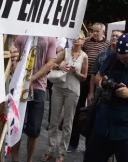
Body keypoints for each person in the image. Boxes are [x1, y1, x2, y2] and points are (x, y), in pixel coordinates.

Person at [84, 33, 128, 162]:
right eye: (119, 57)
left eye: (125, 58)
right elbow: (98, 76)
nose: (121, 60)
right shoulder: (112, 57)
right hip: (104, 122)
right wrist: (102, 82)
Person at [10, 35, 66, 162]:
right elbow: (15, 61)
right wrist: (22, 80)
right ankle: (15, 159)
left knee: (34, 129)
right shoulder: (21, 37)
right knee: (16, 126)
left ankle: (29, 159)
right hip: (19, 87)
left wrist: (32, 79)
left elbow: (50, 62)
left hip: (39, 87)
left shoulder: (50, 38)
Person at [43, 31, 88, 162]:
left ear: (83, 41)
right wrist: (60, 65)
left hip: (73, 90)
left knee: (68, 123)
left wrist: (76, 72)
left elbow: (84, 77)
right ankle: (49, 150)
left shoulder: (84, 56)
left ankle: (62, 152)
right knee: (53, 121)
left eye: (79, 38)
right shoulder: (66, 52)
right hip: (58, 88)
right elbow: (52, 63)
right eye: (75, 38)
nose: (76, 40)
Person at [69, 23, 109, 152]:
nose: (95, 33)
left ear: (104, 32)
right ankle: (73, 142)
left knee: (93, 112)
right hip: (83, 78)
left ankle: (90, 144)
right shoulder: (86, 42)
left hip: (97, 81)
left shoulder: (107, 45)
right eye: (93, 31)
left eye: (98, 31)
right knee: (78, 110)